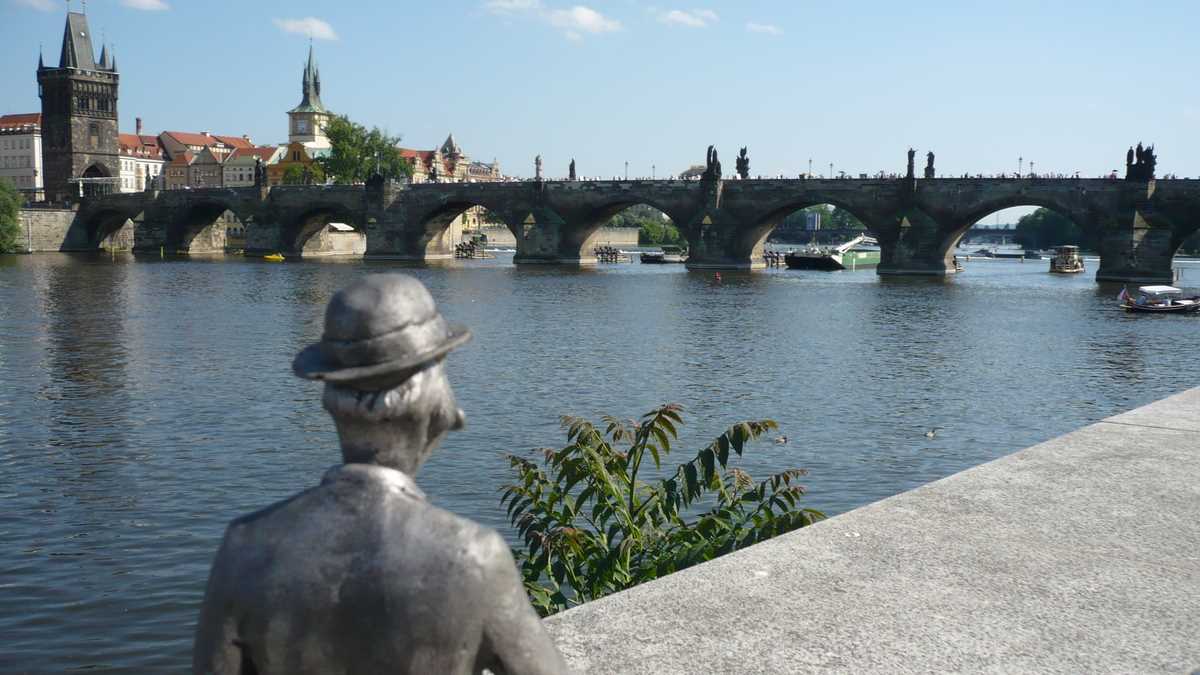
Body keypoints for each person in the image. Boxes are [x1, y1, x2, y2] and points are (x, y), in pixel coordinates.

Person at [193, 274, 565, 675]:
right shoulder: (473, 557)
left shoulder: (244, 548)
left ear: (332, 401)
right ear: (426, 397)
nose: (458, 414)